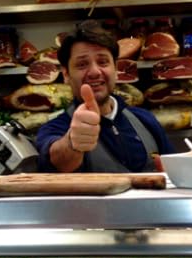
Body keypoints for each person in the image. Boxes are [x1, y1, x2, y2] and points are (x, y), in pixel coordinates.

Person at [36, 20, 175, 173]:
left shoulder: (145, 120)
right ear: (66, 74)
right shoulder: (54, 128)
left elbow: (175, 172)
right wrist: (72, 143)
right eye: (82, 64)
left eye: (103, 62)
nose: (95, 71)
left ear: (115, 69)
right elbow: (57, 161)